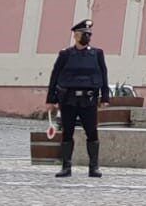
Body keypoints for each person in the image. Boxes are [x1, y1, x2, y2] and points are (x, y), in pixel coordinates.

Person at [45, 19, 109, 178]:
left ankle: (93, 167)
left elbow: (103, 75)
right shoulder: (65, 54)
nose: (87, 37)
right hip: (68, 100)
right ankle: (66, 167)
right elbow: (55, 76)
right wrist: (50, 99)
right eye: (84, 34)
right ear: (76, 35)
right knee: (67, 132)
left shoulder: (97, 54)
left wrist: (105, 97)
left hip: (88, 100)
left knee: (92, 133)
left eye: (89, 34)